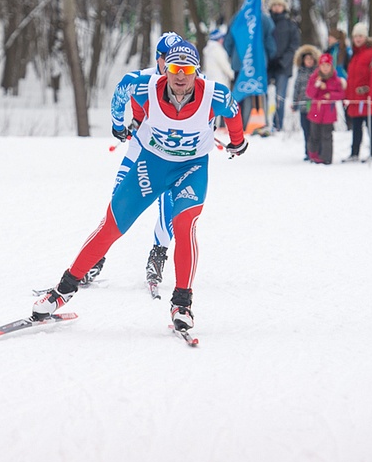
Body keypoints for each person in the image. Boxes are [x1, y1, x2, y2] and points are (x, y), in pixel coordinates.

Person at [33, 41, 248, 333]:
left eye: (187, 69)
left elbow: (234, 114)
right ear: (165, 69)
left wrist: (238, 141)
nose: (180, 76)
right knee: (112, 225)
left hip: (192, 168)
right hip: (153, 166)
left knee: (184, 226)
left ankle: (182, 303)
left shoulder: (215, 95)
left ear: (197, 71)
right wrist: (130, 123)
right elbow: (129, 100)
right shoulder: (147, 89)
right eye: (174, 68)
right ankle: (64, 290)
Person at [105, 31, 185, 290]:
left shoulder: (191, 82)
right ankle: (96, 256)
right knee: (119, 197)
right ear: (158, 59)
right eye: (167, 59)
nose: (174, 67)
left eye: (178, 59)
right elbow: (120, 98)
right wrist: (120, 126)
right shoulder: (142, 79)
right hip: (141, 145)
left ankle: (158, 255)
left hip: (171, 153)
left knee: (169, 200)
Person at [341, 22, 372, 162]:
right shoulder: (354, 55)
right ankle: (354, 153)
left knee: (371, 126)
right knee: (356, 127)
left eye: (360, 36)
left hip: (367, 98)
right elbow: (351, 78)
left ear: (365, 37)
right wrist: (347, 96)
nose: (358, 39)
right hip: (355, 99)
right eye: (355, 36)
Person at [265, 0, 300, 132]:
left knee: (280, 96)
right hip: (267, 65)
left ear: (283, 7)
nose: (277, 7)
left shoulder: (290, 25)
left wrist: (283, 61)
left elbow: (294, 46)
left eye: (279, 5)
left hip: (283, 66)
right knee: (264, 94)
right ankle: (263, 121)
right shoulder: (266, 23)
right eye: (274, 5)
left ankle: (277, 124)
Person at [305, 53, 345, 165]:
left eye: (328, 66)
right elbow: (309, 93)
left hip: (329, 112)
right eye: (323, 66)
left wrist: (329, 93)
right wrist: (316, 85)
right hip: (316, 111)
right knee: (314, 134)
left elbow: (341, 94)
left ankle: (326, 157)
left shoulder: (335, 79)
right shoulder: (314, 77)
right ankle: (313, 155)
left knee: (327, 135)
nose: (325, 68)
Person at [290, 44, 321, 160]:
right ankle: (307, 151)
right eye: (307, 59)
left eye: (311, 59)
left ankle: (315, 151)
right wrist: (294, 103)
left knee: (314, 130)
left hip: (314, 106)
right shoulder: (300, 72)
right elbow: (296, 88)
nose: (309, 61)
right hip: (303, 107)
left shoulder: (318, 72)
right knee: (306, 129)